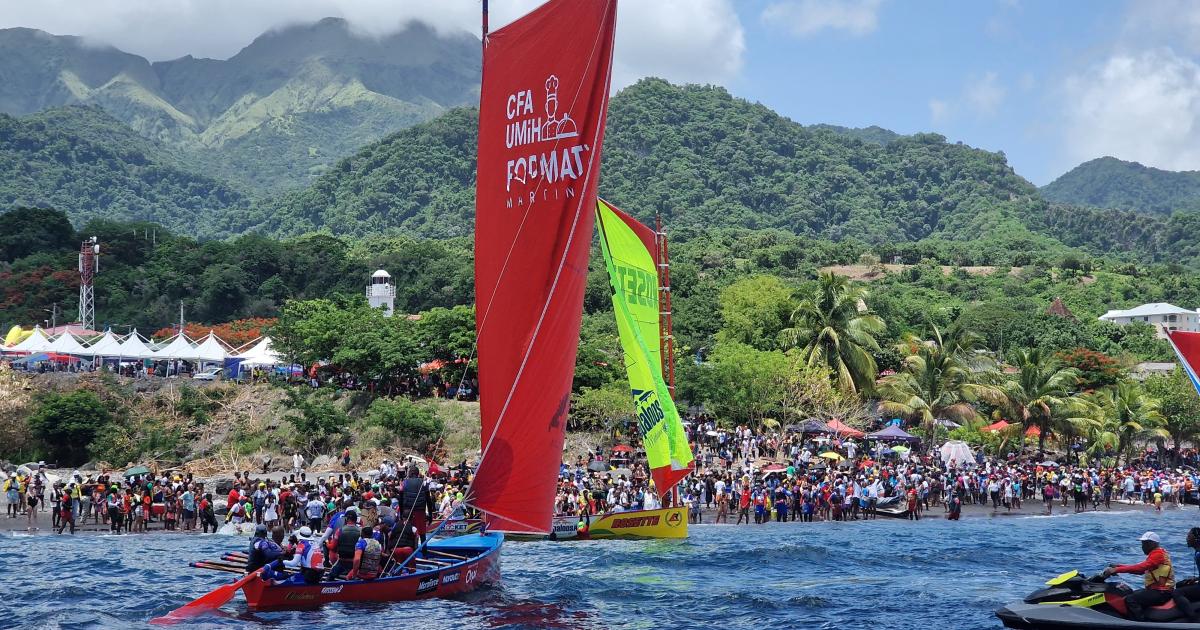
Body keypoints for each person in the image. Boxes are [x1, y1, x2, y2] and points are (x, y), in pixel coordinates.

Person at [1103, 531, 1175, 621]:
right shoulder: (1156, 554)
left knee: (1131, 599)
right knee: (1129, 593)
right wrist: (1119, 566)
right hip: (1157, 590)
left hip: (1162, 592)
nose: (1142, 547)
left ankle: (1139, 623)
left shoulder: (1158, 554)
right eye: (1142, 544)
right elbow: (1141, 569)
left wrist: (1117, 570)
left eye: (1145, 544)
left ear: (1152, 544)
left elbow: (1141, 568)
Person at [326, 511, 361, 580]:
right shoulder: (361, 531)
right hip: (354, 563)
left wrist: (327, 543)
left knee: (329, 578)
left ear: (347, 519)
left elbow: (332, 547)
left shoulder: (340, 530)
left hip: (342, 561)